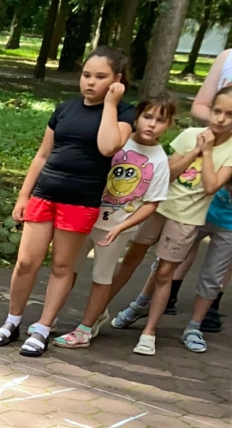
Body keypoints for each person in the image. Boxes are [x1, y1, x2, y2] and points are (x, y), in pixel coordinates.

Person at [0, 47, 136, 356]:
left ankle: (43, 328)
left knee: (61, 266)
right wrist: (24, 195)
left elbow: (108, 146)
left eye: (100, 77)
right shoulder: (64, 109)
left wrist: (111, 103)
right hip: (45, 194)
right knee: (27, 262)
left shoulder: (124, 113)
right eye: (86, 75)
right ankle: (12, 321)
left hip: (80, 201)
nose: (90, 83)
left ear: (117, 80)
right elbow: (42, 155)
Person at [116, 84, 232, 355]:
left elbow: (212, 184)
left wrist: (207, 152)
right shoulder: (192, 135)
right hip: (174, 209)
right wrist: (197, 151)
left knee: (207, 275)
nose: (220, 119)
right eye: (217, 111)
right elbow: (167, 172)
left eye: (229, 115)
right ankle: (133, 306)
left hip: (208, 218)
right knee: (157, 264)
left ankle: (191, 326)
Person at [52, 97, 174, 349]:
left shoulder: (160, 159)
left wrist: (122, 227)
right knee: (67, 269)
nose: (152, 124)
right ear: (136, 117)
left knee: (102, 277)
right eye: (147, 117)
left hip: (116, 228)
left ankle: (85, 328)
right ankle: (49, 318)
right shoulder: (118, 140)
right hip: (85, 216)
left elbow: (153, 203)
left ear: (169, 125)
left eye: (160, 120)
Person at [182, 183, 232, 351]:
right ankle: (141, 304)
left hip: (229, 226)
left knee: (213, 275)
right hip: (200, 211)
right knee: (169, 258)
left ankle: (194, 327)